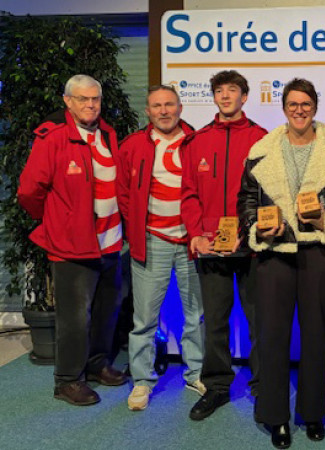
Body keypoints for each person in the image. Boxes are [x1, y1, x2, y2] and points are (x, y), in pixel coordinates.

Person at [238, 78, 325, 448]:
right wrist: (258, 226)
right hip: (273, 252)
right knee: (272, 336)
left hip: (318, 253)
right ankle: (275, 417)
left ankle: (313, 413)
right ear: (284, 108)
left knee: (315, 334)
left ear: (314, 107)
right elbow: (246, 199)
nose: (299, 110)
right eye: (293, 104)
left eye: (305, 104)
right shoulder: (261, 151)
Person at [18, 74, 127, 406]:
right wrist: (59, 221)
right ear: (68, 101)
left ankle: (96, 364)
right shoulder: (52, 137)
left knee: (107, 310)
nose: (90, 105)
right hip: (72, 247)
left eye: (95, 99)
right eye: (83, 99)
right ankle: (67, 380)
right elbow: (29, 191)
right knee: (75, 319)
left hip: (110, 241)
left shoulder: (107, 133)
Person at [181, 70, 267, 421]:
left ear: (244, 97)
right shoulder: (197, 141)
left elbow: (269, 194)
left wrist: (255, 231)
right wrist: (196, 234)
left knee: (260, 319)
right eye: (220, 91)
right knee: (214, 320)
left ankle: (263, 386)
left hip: (252, 247)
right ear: (214, 97)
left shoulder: (262, 139)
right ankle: (216, 386)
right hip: (211, 248)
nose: (226, 96)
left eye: (233, 90)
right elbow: (188, 194)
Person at [117, 85, 204, 411]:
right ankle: (142, 380)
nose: (164, 111)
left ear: (180, 107)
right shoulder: (132, 145)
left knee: (196, 315)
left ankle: (196, 373)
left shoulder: (198, 141)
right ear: (148, 111)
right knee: (144, 320)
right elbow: (123, 194)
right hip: (152, 241)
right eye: (157, 106)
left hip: (191, 243)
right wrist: (138, 229)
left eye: (169, 104)